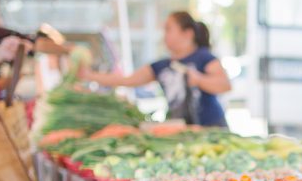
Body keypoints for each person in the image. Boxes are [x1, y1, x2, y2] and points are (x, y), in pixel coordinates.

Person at [81, 12, 231, 127]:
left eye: (168, 29)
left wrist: (199, 79)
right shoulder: (162, 66)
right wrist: (89, 75)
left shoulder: (204, 57)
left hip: (212, 128)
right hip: (182, 131)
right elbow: (126, 80)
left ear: (187, 33)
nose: (164, 35)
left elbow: (225, 85)